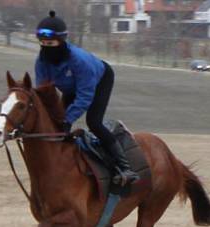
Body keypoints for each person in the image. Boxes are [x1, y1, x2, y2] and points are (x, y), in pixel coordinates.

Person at [34, 10, 139, 185]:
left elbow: (85, 96)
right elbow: (43, 91)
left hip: (99, 80)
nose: (46, 47)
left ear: (61, 41)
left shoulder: (79, 61)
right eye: (42, 43)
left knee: (94, 122)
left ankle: (125, 167)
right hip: (71, 87)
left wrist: (68, 118)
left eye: (50, 43)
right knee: (57, 124)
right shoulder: (41, 61)